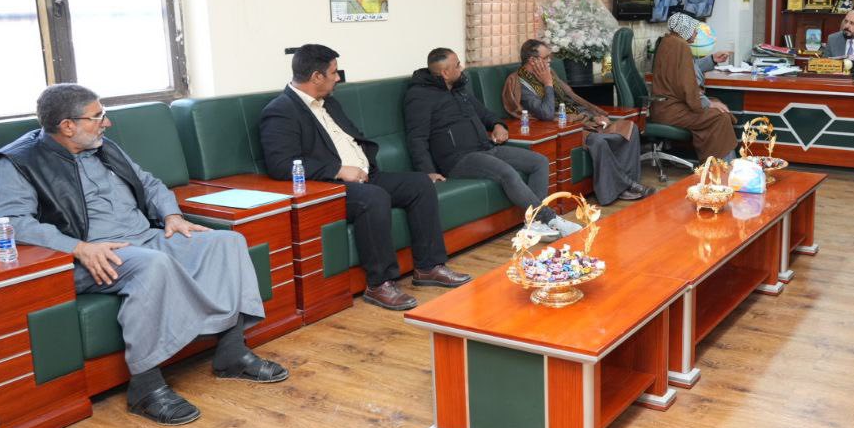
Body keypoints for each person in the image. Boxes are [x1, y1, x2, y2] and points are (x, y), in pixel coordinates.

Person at [0, 84, 287, 426]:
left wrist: (172, 215)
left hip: (146, 236)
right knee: (153, 266)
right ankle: (145, 389)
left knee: (226, 243)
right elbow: (13, 222)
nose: (107, 123)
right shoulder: (20, 162)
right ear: (68, 126)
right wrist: (78, 247)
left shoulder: (104, 146)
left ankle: (232, 352)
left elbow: (149, 183)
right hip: (93, 253)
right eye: (98, 117)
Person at [259, 44, 470, 312]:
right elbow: (280, 164)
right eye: (334, 72)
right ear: (316, 77)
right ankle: (379, 284)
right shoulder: (281, 111)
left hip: (365, 177)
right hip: (328, 187)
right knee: (374, 198)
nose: (338, 78)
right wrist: (337, 170)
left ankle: (429, 267)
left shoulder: (329, 102)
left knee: (420, 184)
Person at [404, 48, 583, 241]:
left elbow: (485, 114)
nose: (462, 68)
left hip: (485, 148)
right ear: (445, 73)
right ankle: (548, 218)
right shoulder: (419, 96)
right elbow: (416, 138)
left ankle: (533, 224)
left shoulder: (459, 89)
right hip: (457, 159)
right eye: (457, 65)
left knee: (539, 162)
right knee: (506, 172)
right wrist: (428, 172)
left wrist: (498, 125)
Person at [502, 39, 652, 204]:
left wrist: (593, 115)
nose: (550, 61)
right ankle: (626, 186)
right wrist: (548, 84)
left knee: (630, 128)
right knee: (598, 141)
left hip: (579, 120)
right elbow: (546, 113)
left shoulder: (550, 74)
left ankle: (628, 185)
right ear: (533, 60)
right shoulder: (520, 83)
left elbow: (571, 101)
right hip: (560, 128)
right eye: (546, 58)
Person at [649, 10, 738, 162]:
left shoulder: (668, 41)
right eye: (694, 30)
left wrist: (712, 59)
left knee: (718, 109)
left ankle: (718, 163)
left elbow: (687, 69)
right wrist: (707, 104)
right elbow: (687, 85)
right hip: (671, 111)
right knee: (720, 117)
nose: (696, 34)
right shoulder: (681, 46)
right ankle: (723, 166)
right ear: (684, 29)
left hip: (664, 108)